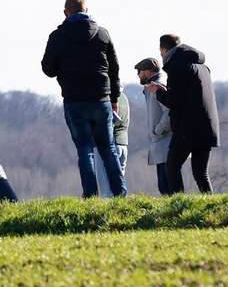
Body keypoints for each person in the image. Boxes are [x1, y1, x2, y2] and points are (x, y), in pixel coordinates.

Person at [41, 0, 126, 198]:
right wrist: (114, 99)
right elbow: (114, 69)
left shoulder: (58, 36)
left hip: (74, 100)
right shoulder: (102, 34)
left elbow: (48, 69)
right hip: (101, 99)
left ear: (65, 13)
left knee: (85, 149)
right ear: (86, 10)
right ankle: (120, 193)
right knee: (108, 149)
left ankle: (90, 194)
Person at [147, 35, 219, 193]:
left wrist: (158, 93)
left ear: (164, 49)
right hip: (207, 126)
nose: (161, 55)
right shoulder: (201, 66)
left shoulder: (177, 65)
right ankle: (207, 206)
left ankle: (178, 205)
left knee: (172, 166)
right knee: (201, 173)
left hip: (187, 128)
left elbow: (174, 101)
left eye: (161, 52)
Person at [135, 57, 172, 195]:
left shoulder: (158, 86)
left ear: (148, 72)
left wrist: (158, 130)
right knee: (164, 186)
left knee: (167, 187)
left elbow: (169, 110)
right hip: (161, 143)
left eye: (139, 71)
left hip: (165, 141)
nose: (138, 74)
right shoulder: (153, 86)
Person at [93, 92, 130, 198]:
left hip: (108, 147)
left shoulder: (106, 99)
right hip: (123, 144)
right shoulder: (124, 98)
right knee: (119, 189)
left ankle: (109, 213)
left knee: (106, 192)